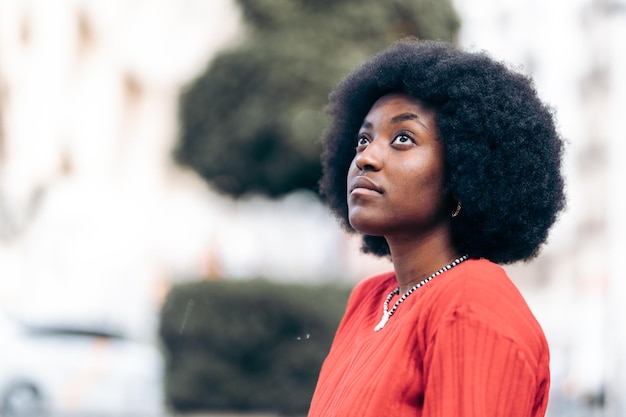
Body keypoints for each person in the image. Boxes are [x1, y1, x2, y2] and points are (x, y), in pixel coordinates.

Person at [308, 38, 566, 417]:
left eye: (403, 138)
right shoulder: (370, 300)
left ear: (466, 173)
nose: (365, 157)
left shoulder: (471, 306)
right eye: (363, 139)